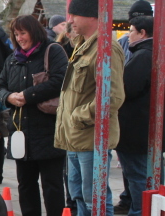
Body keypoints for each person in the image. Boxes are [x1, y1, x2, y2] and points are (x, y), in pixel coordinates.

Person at [55, 0, 125, 215]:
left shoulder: (106, 48)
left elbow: (113, 97)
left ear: (92, 16)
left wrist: (78, 116)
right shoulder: (84, 46)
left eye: (75, 15)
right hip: (76, 137)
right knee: (79, 197)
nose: (70, 20)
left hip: (90, 137)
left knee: (95, 200)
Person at [0, 15, 68, 216]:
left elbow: (60, 81)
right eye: (16, 34)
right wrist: (8, 97)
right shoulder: (12, 58)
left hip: (48, 130)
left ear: (34, 32)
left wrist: (28, 96)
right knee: (25, 184)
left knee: (52, 185)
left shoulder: (53, 51)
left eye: (23, 33)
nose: (19, 38)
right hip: (20, 130)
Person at [114, 2, 152, 212]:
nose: (128, 35)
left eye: (131, 31)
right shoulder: (152, 52)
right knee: (150, 176)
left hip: (135, 129)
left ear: (142, 32)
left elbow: (126, 88)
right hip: (146, 129)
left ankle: (139, 211)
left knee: (138, 176)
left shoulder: (143, 55)